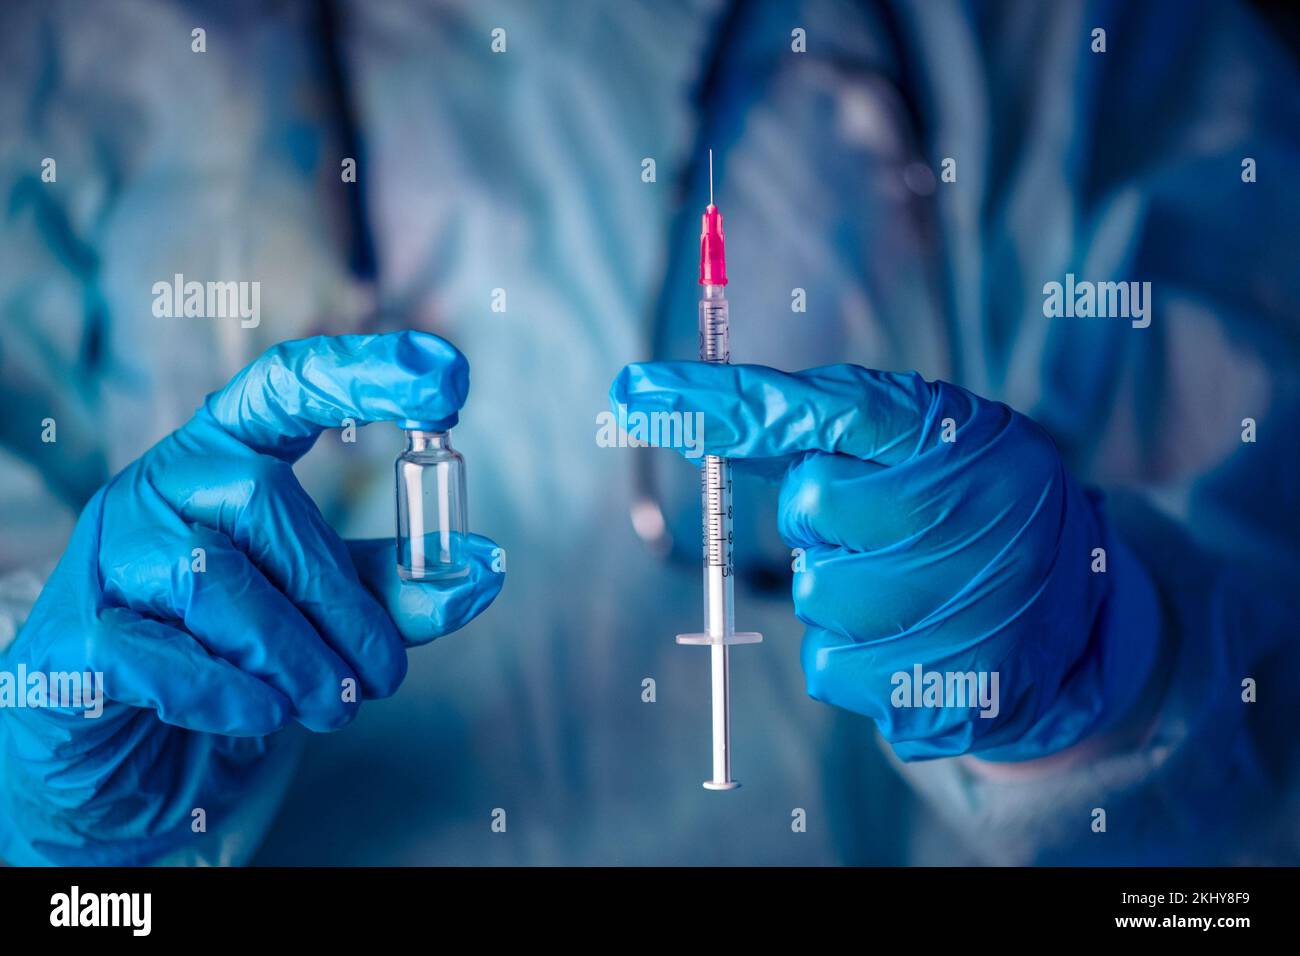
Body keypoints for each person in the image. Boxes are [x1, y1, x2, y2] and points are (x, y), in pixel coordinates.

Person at [1, 0, 1297, 865]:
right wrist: (47, 764)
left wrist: (1105, 668)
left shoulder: (1082, 31)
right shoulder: (71, 55)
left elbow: (1265, 715)